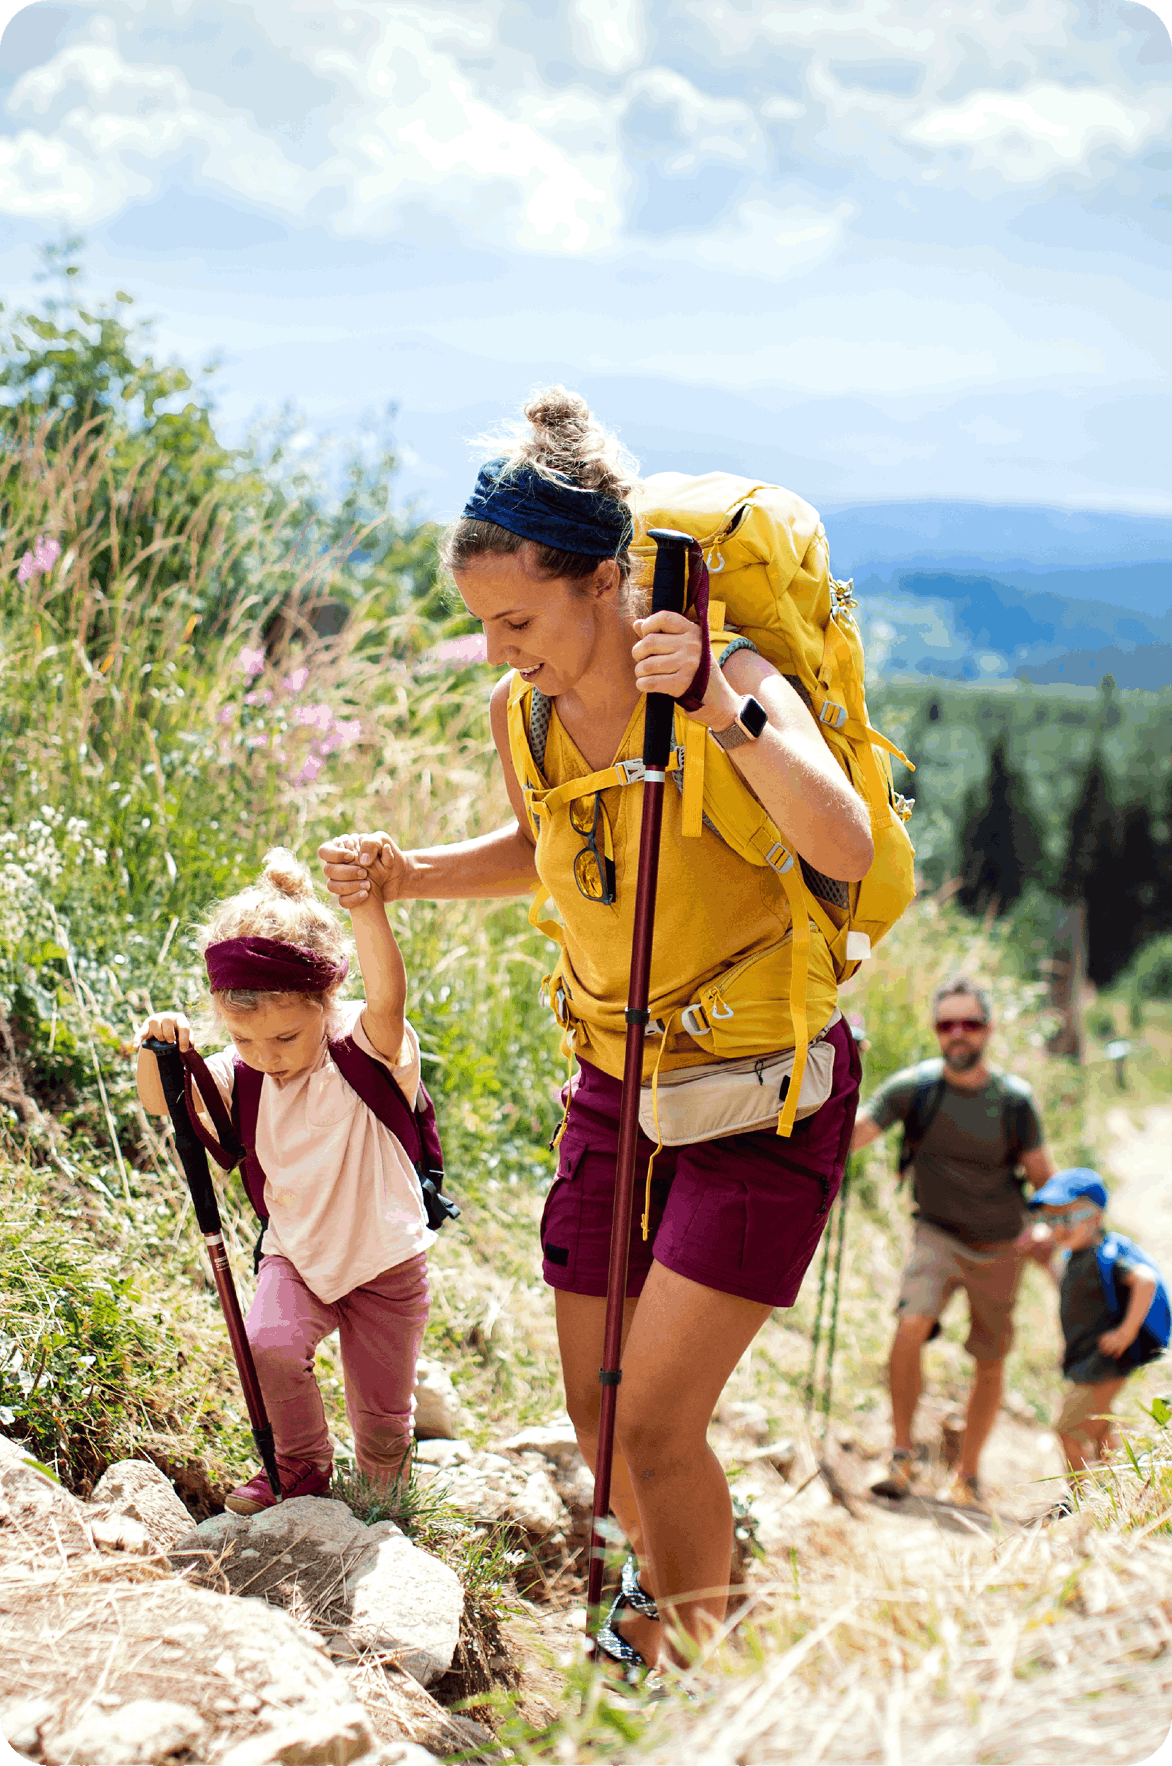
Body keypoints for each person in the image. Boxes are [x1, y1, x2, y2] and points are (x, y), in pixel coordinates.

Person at [322, 386, 873, 1676]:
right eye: (483, 625)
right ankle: (670, 1621)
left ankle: (701, 1677)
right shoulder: (524, 712)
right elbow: (545, 845)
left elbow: (839, 837)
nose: (503, 647)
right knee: (599, 1409)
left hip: (758, 1092)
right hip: (613, 1083)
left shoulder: (725, 677)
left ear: (605, 581)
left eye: (518, 618)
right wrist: (406, 874)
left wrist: (728, 716)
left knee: (664, 1420)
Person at [134, 846, 432, 1514]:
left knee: (384, 1421)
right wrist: (155, 1047)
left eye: (287, 1039)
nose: (267, 1057)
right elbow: (162, 1102)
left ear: (326, 1002)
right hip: (296, 1252)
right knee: (269, 1344)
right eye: (244, 1040)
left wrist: (366, 905)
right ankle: (301, 1468)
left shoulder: (364, 1046)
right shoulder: (241, 1075)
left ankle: (387, 1499)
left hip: (385, 1261)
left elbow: (388, 993)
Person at [849, 977, 1057, 1506]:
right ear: (936, 1031)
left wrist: (1048, 1227)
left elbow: (1043, 1178)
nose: (958, 1034)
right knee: (908, 1326)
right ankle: (901, 1457)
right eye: (947, 1024)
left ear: (988, 1029)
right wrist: (838, 1077)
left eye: (969, 1023)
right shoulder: (914, 1088)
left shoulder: (1013, 1100)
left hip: (1000, 1245)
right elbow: (855, 1133)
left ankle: (967, 1475)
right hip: (935, 1233)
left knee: (990, 1359)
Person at [1027, 1167, 1160, 1481]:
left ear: (1096, 1217)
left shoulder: (1107, 1255)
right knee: (1100, 1429)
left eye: (1066, 1219)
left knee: (1068, 1430)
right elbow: (1071, 1293)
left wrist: (1126, 1331)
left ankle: (1080, 1496)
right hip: (1088, 1359)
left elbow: (1145, 1280)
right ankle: (1115, 1489)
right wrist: (1046, 1265)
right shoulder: (1077, 1259)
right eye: (1050, 1221)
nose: (1058, 1230)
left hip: (1106, 1362)